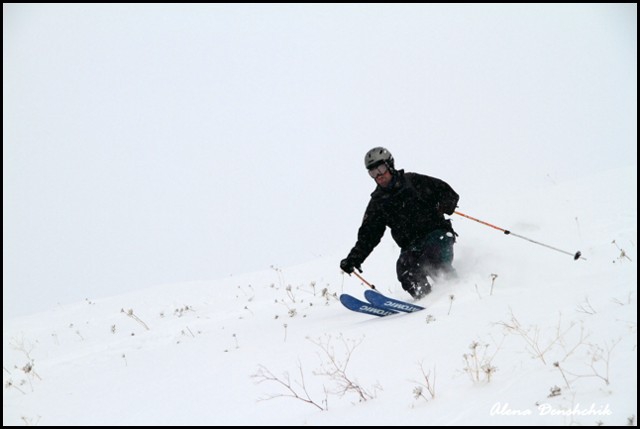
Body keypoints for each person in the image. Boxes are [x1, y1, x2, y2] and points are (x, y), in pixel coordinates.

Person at [340, 147, 460, 300]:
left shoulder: (413, 182)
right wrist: (353, 259)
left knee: (434, 260)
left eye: (381, 169)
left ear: (390, 165)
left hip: (437, 233)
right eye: (373, 172)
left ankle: (457, 292)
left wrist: (445, 204)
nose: (379, 175)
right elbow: (368, 236)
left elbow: (447, 192)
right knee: (405, 269)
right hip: (411, 245)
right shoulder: (378, 203)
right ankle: (427, 299)